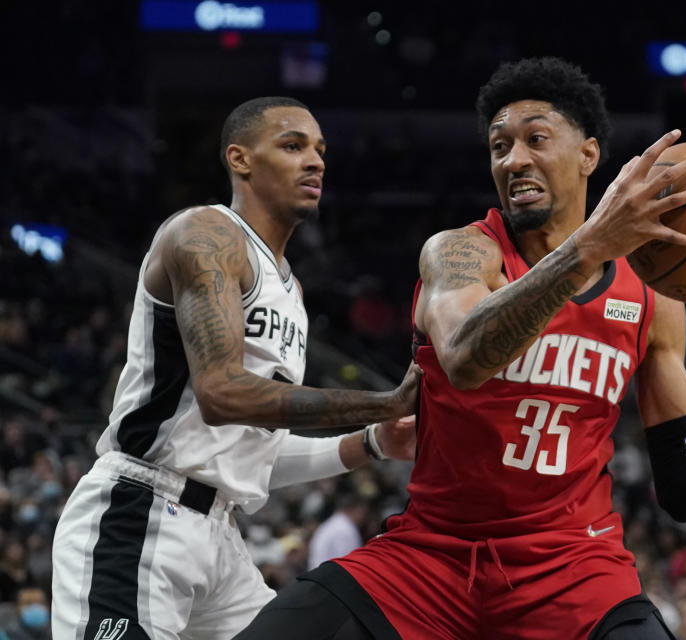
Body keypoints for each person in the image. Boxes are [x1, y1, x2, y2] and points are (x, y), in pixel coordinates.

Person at [237, 57, 686, 639]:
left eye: (537, 138)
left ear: (590, 154)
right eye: (499, 145)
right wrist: (589, 246)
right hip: (431, 557)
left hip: (573, 570)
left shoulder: (653, 297)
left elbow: (684, 485)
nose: (514, 158)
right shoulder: (460, 253)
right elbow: (468, 357)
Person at [50, 97, 421, 640]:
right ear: (240, 159)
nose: (315, 161)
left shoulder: (290, 289)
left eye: (320, 150)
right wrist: (382, 401)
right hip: (140, 515)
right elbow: (221, 395)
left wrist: (372, 441)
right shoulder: (208, 235)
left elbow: (252, 453)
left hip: (220, 536)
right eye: (293, 146)